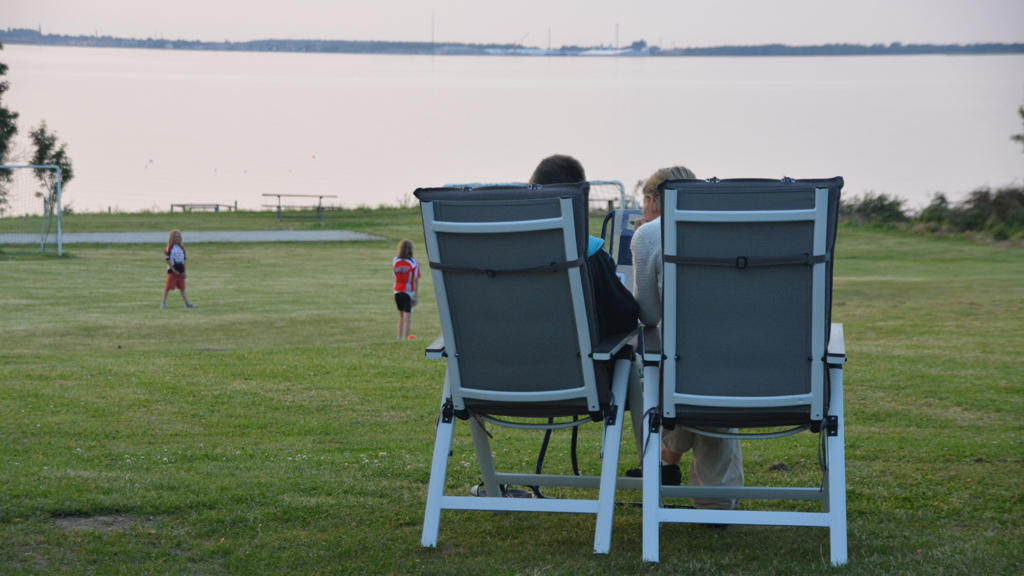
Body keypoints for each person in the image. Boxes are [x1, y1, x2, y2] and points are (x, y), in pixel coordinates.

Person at [628, 166, 744, 515]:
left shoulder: (650, 235)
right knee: (712, 363)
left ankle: (668, 460)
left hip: (682, 373)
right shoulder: (740, 230)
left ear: (650, 201)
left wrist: (643, 240)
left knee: (678, 363)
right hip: (757, 373)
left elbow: (646, 315)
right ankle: (714, 500)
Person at [528, 155, 640, 341]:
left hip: (496, 365)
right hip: (576, 365)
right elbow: (623, 318)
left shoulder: (497, 251)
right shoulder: (589, 251)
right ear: (579, 199)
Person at [161, 229, 197, 309]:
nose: (177, 238)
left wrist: (184, 271)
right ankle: (163, 303)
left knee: (182, 288)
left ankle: (187, 303)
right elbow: (168, 260)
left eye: (178, 237)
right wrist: (173, 270)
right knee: (168, 287)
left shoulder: (181, 248)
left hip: (180, 270)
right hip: (173, 271)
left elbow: (184, 260)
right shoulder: (169, 248)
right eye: (175, 237)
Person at [393, 239, 420, 340]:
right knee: (407, 318)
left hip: (397, 290)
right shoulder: (413, 262)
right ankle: (405, 338)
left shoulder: (396, 260)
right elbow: (415, 279)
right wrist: (415, 296)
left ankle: (399, 337)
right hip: (408, 292)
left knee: (401, 316)